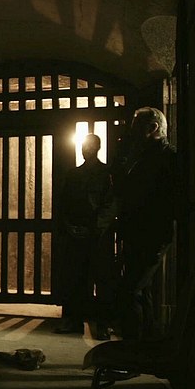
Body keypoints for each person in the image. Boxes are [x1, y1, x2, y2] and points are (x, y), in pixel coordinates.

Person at [115, 107, 176, 342]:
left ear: (153, 128)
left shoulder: (166, 158)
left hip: (151, 233)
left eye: (136, 127)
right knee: (142, 290)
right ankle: (147, 341)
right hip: (140, 232)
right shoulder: (145, 157)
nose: (132, 133)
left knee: (130, 290)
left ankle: (133, 345)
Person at [54, 133, 117, 340]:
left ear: (97, 148)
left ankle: (103, 323)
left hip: (98, 235)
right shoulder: (73, 174)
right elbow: (64, 204)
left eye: (88, 146)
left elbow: (111, 204)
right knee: (75, 278)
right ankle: (73, 320)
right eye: (83, 146)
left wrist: (95, 227)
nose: (84, 150)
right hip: (77, 232)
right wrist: (69, 226)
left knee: (102, 279)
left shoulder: (107, 174)